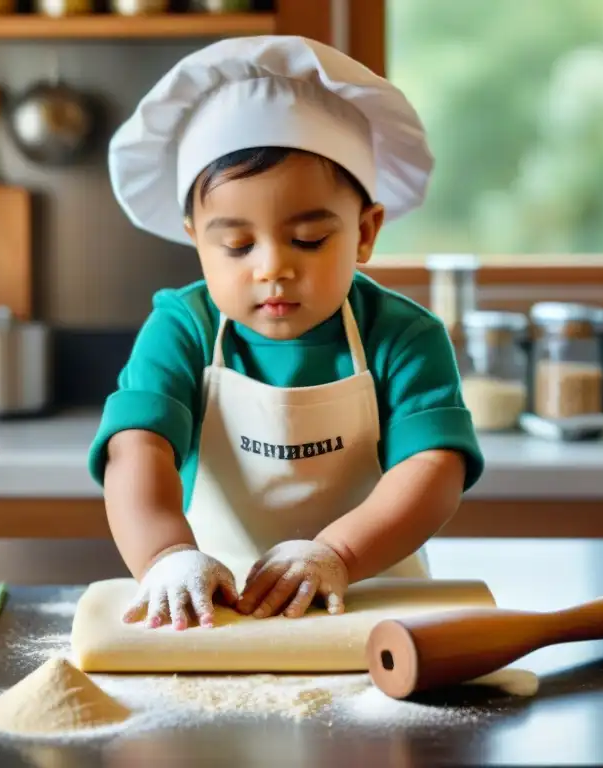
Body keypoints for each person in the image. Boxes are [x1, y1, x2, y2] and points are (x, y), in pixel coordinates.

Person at [87, 35, 484, 631]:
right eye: (237, 244)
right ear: (197, 238)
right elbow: (136, 449)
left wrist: (339, 555)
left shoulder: (404, 336)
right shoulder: (184, 328)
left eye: (308, 239)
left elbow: (433, 470)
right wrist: (165, 557)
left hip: (376, 606)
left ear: (366, 230)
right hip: (216, 611)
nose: (272, 266)